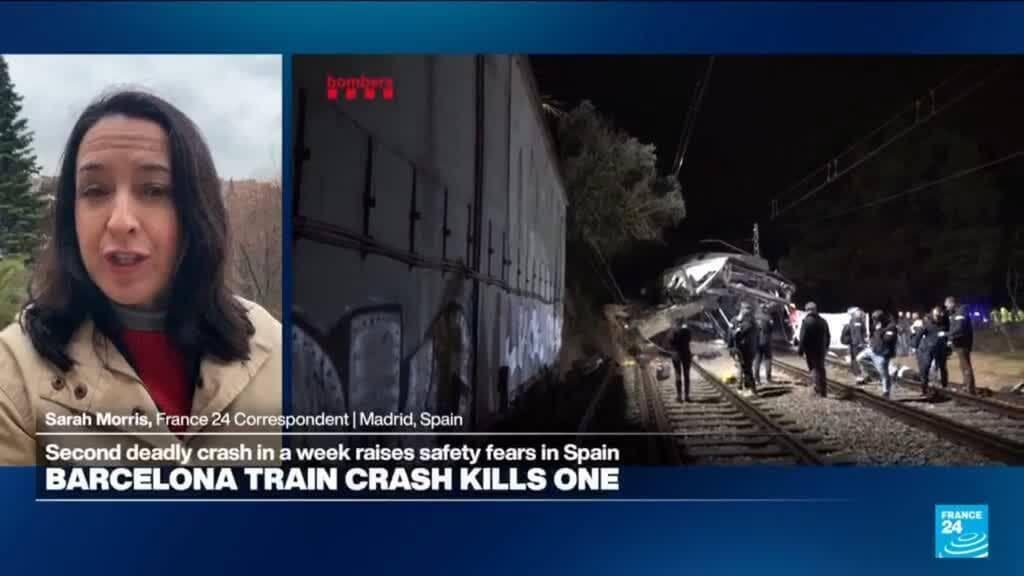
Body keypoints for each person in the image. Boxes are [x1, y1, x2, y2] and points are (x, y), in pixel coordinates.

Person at [0, 90, 282, 465]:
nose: (120, 221)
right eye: (95, 190)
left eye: (154, 190)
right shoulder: (13, 372)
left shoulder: (273, 349)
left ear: (196, 212)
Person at [912, 306, 950, 396]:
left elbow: (949, 333)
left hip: (941, 348)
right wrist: (914, 346)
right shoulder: (927, 323)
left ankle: (945, 386)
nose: (938, 318)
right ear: (933, 315)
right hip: (928, 348)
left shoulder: (945, 322)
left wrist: (947, 337)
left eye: (940, 316)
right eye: (937, 316)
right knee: (925, 368)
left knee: (942, 367)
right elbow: (919, 334)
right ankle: (924, 388)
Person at [861, 310, 899, 398]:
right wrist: (871, 341)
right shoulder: (877, 325)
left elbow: (887, 339)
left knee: (884, 373)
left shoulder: (891, 327)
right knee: (860, 358)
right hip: (873, 349)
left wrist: (879, 330)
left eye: (876, 320)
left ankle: (886, 392)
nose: (875, 322)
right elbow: (876, 337)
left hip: (883, 353)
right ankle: (874, 374)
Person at [797, 301, 830, 397]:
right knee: (821, 369)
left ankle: (817, 389)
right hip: (821, 349)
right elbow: (828, 336)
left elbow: (803, 337)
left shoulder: (806, 321)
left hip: (811, 350)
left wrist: (800, 350)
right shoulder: (823, 321)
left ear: (807, 310)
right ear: (815, 310)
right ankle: (823, 391)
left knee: (814, 369)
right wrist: (826, 347)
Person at [945, 296, 976, 395]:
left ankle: (970, 388)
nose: (947, 308)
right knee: (963, 365)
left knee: (965, 365)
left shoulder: (960, 313)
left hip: (963, 344)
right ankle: (966, 385)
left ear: (952, 303)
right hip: (959, 344)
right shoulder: (955, 313)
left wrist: (947, 335)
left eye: (947, 305)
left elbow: (959, 329)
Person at [729, 302, 758, 396]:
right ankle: (744, 387)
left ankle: (748, 388)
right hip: (739, 349)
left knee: (746, 368)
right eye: (747, 309)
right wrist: (730, 347)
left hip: (748, 349)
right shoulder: (735, 320)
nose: (748, 311)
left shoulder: (751, 322)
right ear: (742, 309)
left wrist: (737, 330)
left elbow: (739, 332)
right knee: (743, 367)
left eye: (749, 309)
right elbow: (730, 335)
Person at [841, 307, 868, 383]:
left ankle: (859, 376)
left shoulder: (852, 320)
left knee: (855, 360)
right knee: (858, 360)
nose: (860, 312)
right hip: (857, 344)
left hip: (854, 344)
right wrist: (861, 343)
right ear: (854, 313)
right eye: (858, 311)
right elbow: (858, 332)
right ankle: (860, 376)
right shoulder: (857, 320)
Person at [669, 319, 692, 402]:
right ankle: (687, 395)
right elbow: (689, 339)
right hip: (686, 354)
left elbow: (671, 342)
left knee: (678, 375)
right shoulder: (687, 331)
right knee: (686, 375)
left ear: (676, 323)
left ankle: (679, 396)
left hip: (676, 355)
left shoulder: (674, 331)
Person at [752, 304, 774, 387]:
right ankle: (768, 379)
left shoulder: (754, 317)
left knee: (757, 361)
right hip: (766, 342)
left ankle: (757, 379)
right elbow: (772, 328)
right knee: (768, 360)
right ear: (765, 309)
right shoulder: (768, 317)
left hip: (756, 342)